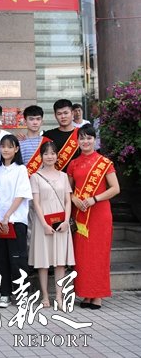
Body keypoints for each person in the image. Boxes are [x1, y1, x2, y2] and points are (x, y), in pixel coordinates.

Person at [67, 124, 120, 309]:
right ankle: (86, 293)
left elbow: (115, 188)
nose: (85, 141)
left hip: (99, 214)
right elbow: (68, 189)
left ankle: (97, 295)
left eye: (89, 138)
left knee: (99, 254)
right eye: (82, 138)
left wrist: (94, 199)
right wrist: (74, 199)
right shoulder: (73, 163)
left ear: (95, 140)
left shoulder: (104, 163)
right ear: (77, 141)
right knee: (82, 255)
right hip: (80, 214)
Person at [29, 141, 75, 309]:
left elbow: (68, 201)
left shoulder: (63, 176)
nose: (50, 156)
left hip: (61, 223)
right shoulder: (35, 177)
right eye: (46, 153)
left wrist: (66, 221)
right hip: (43, 223)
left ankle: (60, 297)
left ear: (57, 156)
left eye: (53, 153)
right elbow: (36, 203)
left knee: (60, 262)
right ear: (41, 156)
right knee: (43, 261)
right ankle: (45, 296)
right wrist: (44, 224)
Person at [0, 135, 33, 308]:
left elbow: (21, 195)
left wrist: (8, 215)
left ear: (16, 149)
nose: (6, 150)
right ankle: (4, 293)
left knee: (18, 258)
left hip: (16, 220)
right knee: (0, 259)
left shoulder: (21, 169)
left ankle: (22, 293)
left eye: (10, 146)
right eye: (3, 146)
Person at [43, 99, 80, 172]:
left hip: (78, 176)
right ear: (55, 116)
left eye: (66, 113)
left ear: (72, 113)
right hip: (55, 177)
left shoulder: (81, 134)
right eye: (59, 114)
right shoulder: (48, 135)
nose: (63, 116)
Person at [19, 105, 50, 176]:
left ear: (42, 122)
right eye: (31, 119)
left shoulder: (48, 142)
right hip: (26, 180)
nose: (35, 122)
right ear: (25, 121)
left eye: (38, 119)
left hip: (45, 180)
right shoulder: (20, 143)